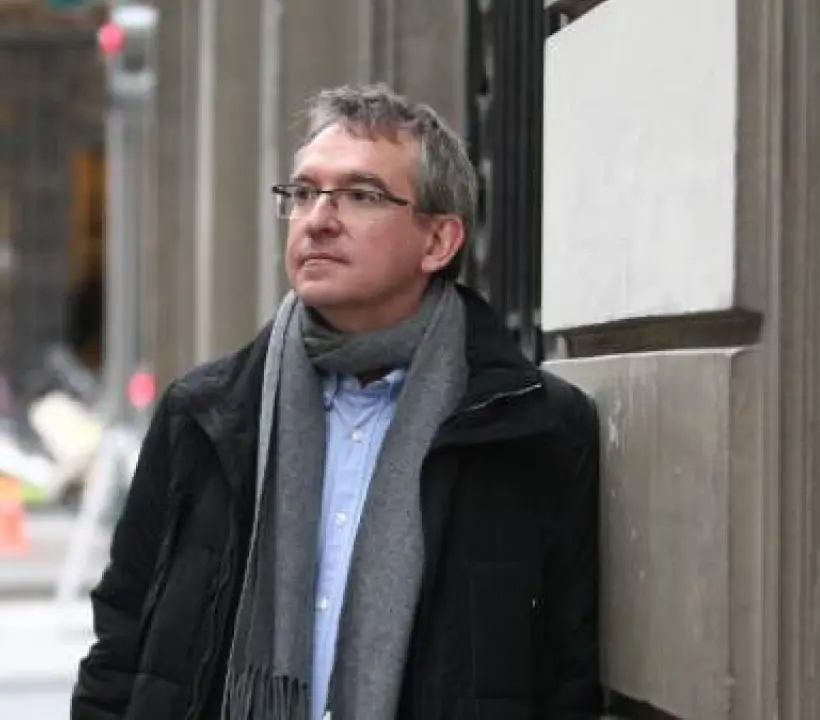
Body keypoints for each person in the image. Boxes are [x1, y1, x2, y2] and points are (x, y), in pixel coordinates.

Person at [71, 84, 601, 719]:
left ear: (438, 241)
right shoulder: (205, 416)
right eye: (303, 193)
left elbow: (567, 678)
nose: (319, 218)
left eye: (361, 195)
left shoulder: (530, 428)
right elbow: (122, 641)